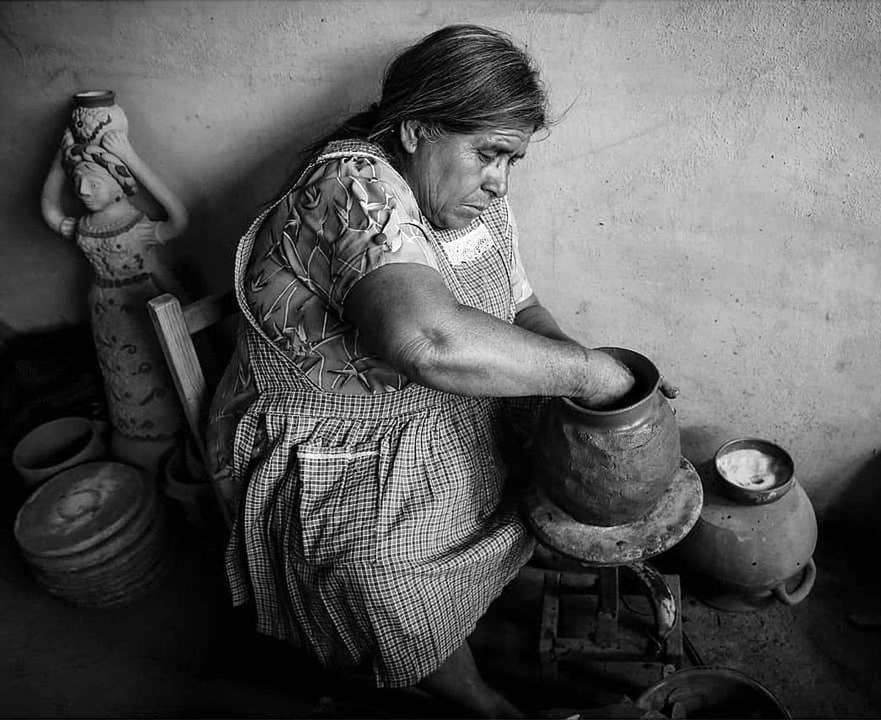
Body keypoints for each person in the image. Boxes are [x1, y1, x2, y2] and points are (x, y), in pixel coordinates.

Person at [208, 24, 673, 717]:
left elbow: (521, 305)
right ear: (419, 127)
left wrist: (588, 395)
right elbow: (426, 339)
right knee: (390, 579)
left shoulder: (469, 198)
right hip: (327, 451)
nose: (499, 181)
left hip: (428, 421)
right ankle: (473, 694)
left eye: (512, 161)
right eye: (489, 154)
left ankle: (476, 611)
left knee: (541, 471)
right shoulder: (354, 189)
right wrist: (588, 375)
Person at [40, 124, 189, 470]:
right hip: (105, 309)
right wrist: (57, 162)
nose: (82, 189)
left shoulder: (136, 224)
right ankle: (133, 435)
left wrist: (129, 157)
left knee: (158, 367)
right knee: (119, 374)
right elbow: (50, 213)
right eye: (77, 179)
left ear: (120, 188)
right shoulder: (85, 227)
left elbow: (179, 218)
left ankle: (171, 433)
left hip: (144, 303)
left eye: (93, 181)